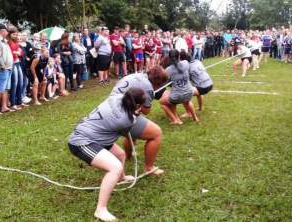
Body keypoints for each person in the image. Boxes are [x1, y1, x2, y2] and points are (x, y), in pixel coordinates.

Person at [68, 88, 145, 221]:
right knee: (114, 167)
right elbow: (125, 132)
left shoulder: (116, 97)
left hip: (97, 136)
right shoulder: (126, 120)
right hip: (81, 142)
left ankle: (121, 177)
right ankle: (100, 209)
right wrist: (136, 114)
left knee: (120, 155)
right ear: (137, 105)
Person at [110, 65, 168, 173]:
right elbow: (146, 110)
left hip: (108, 110)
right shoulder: (148, 87)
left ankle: (128, 155)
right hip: (121, 114)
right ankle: (149, 168)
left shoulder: (137, 75)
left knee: (133, 128)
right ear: (157, 82)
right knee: (156, 133)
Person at [159, 49, 199, 124]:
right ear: (179, 56)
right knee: (186, 101)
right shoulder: (186, 63)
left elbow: (166, 83)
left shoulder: (168, 70)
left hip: (177, 96)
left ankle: (176, 120)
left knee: (162, 102)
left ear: (169, 58)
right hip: (189, 92)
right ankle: (195, 118)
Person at [8, 27, 26, 110]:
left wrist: (18, 52)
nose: (15, 36)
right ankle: (13, 103)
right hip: (13, 63)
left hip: (18, 63)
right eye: (13, 34)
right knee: (14, 83)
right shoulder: (8, 42)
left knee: (21, 82)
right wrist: (16, 52)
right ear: (9, 34)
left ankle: (19, 101)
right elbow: (9, 52)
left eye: (16, 34)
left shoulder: (16, 42)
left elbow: (21, 52)